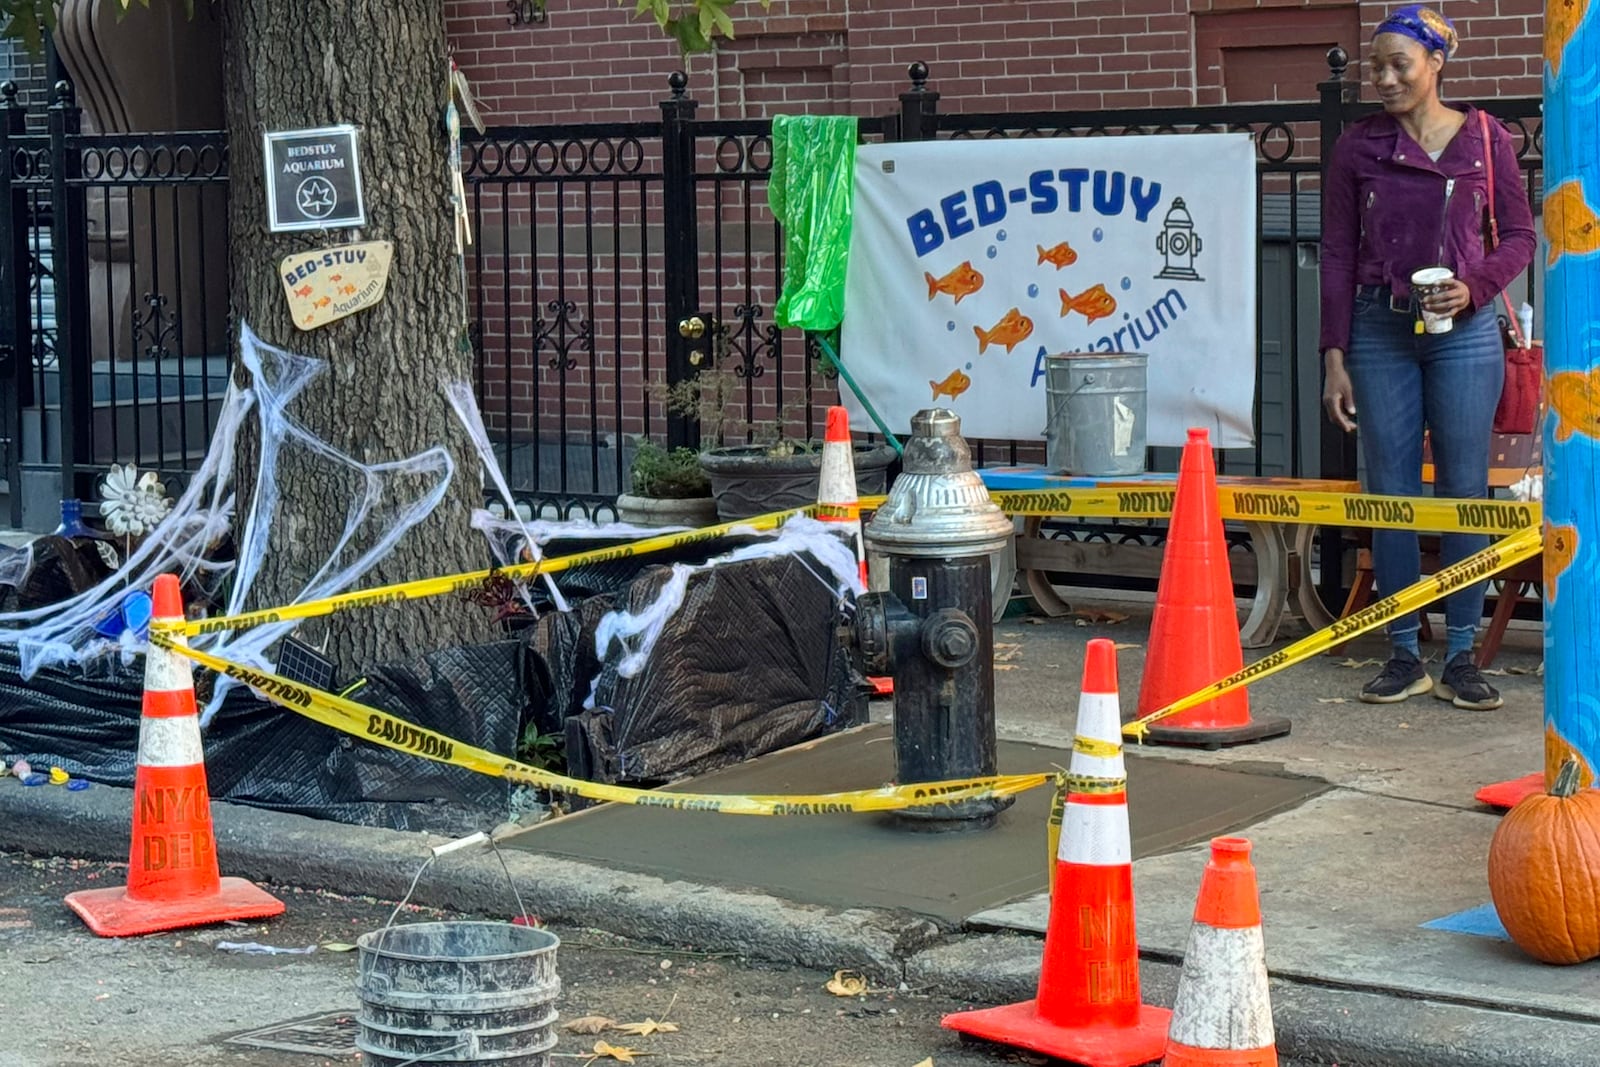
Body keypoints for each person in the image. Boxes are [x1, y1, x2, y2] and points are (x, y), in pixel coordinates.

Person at [1319, 5, 1535, 709]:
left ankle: (1465, 653)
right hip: (1380, 330)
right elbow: (1337, 255)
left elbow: (1522, 237)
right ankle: (1404, 650)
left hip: (1465, 332)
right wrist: (1334, 355)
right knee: (1392, 491)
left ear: (1436, 63)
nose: (1382, 77)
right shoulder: (1357, 148)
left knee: (1465, 493)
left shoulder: (1485, 138)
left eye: (1397, 64)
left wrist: (1472, 289)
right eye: (1375, 65)